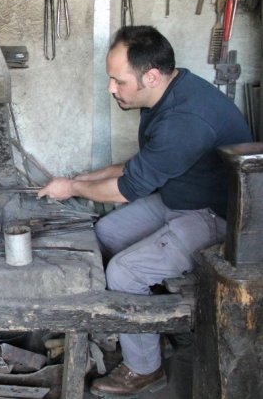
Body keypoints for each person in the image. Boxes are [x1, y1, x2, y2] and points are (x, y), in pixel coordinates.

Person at [38, 25, 251, 397]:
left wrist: (71, 189)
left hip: (216, 216)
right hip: (179, 195)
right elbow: (140, 167)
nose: (111, 88)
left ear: (151, 76)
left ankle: (145, 368)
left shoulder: (186, 120)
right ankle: (146, 325)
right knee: (105, 234)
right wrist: (80, 178)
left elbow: (128, 187)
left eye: (117, 81)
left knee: (124, 272)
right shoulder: (169, 92)